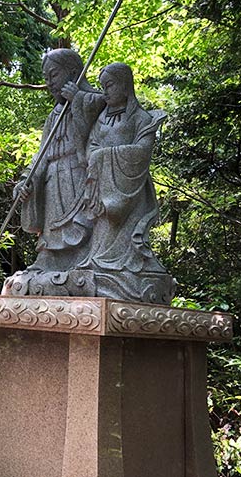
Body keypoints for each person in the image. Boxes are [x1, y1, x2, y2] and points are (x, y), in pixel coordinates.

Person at [78, 62, 175, 303]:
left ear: (124, 85)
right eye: (102, 87)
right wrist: (98, 156)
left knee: (127, 240)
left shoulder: (141, 118)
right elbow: (91, 147)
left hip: (130, 190)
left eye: (109, 85)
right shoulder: (102, 118)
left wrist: (104, 155)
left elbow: (143, 152)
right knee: (102, 238)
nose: (105, 92)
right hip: (104, 188)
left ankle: (128, 270)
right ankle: (100, 265)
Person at [13, 48, 105, 272]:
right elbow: (41, 154)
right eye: (46, 78)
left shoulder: (95, 101)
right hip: (53, 178)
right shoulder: (54, 115)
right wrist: (26, 180)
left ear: (73, 72)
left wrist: (78, 100)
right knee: (51, 228)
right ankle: (48, 259)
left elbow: (103, 132)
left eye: (53, 75)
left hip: (80, 175)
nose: (49, 83)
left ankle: (83, 259)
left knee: (81, 224)